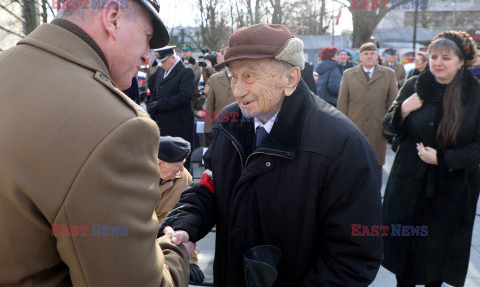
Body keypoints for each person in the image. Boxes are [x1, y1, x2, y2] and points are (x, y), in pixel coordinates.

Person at [0, 0, 191, 286]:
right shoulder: (118, 127)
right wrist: (175, 255)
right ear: (113, 18)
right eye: (147, 37)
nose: (148, 55)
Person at [160, 24, 383, 286]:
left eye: (250, 76)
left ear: (290, 79)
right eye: (233, 76)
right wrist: (185, 225)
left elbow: (353, 257)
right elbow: (209, 187)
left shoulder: (341, 144)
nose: (238, 90)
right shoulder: (228, 124)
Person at [382, 31, 480, 287]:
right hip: (408, 186)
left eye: (446, 57)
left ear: (461, 61)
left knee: (436, 262)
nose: (437, 62)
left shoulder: (475, 94)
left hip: (451, 190)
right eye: (434, 56)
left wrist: (443, 158)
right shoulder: (415, 84)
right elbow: (387, 125)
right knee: (404, 259)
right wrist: (403, 109)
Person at [337, 42, 398, 183]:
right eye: (365, 54)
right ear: (360, 57)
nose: (369, 56)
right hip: (354, 129)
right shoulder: (348, 74)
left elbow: (393, 104)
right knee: (354, 168)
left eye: (372, 53)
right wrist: (341, 130)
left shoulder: (389, 74)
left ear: (377, 55)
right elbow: (342, 104)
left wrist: (389, 130)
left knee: (376, 170)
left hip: (378, 131)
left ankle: (375, 203)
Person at [155, 136, 205, 284]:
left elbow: (186, 218)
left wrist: (190, 261)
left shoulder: (183, 178)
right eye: (178, 165)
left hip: (167, 246)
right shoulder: (133, 178)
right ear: (159, 164)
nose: (182, 170)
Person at [147, 45, 195, 168]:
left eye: (163, 61)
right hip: (163, 124)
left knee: (179, 162)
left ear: (173, 57)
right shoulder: (161, 71)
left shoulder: (186, 71)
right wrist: (152, 104)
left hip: (179, 125)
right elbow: (155, 92)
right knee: (163, 161)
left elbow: (183, 96)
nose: (161, 64)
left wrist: (159, 105)